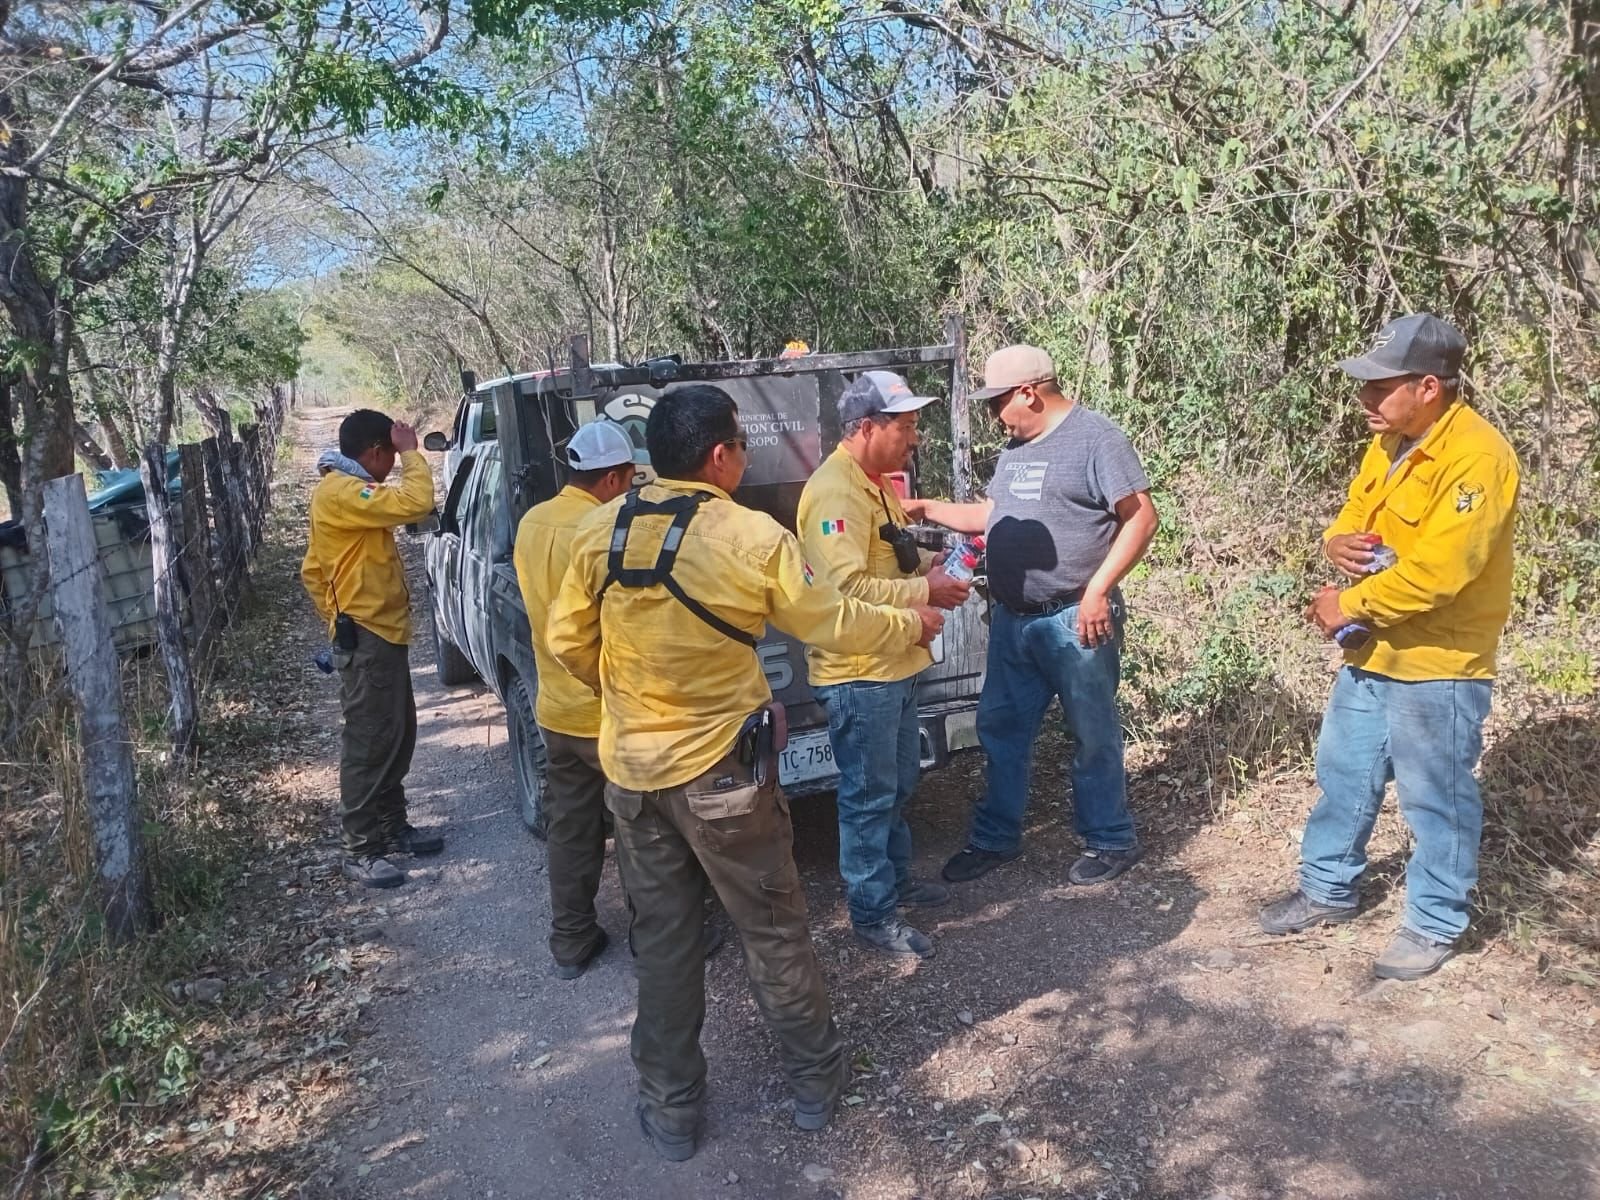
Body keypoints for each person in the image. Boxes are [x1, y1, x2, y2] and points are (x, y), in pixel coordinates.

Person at [548, 384, 942, 1161]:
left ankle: (671, 1110)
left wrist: (627, 701)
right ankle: (816, 1085)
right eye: (740, 446)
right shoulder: (748, 536)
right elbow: (826, 616)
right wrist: (914, 614)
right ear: (720, 455)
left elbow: (566, 644)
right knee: (773, 931)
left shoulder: (598, 531)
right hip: (723, 779)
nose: (744, 457)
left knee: (664, 942)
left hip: (632, 778)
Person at [1261, 314, 1519, 981]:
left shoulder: (1477, 458)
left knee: (1437, 798)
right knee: (1344, 774)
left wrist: (1345, 603)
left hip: (1440, 665)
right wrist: (1334, 544)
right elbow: (1355, 518)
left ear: (1429, 386)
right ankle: (1327, 889)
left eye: (1380, 387)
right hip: (1374, 652)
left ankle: (1434, 922)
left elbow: (1439, 573)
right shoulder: (1390, 440)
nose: (1364, 401)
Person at [907, 345, 1158, 887]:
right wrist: (925, 508)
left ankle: (1110, 838)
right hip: (1014, 621)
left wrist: (1098, 590)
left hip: (1076, 618)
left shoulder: (1097, 439)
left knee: (1092, 733)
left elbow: (1140, 518)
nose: (995, 415)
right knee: (1000, 728)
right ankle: (996, 838)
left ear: (1029, 393)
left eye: (999, 404)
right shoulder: (1015, 451)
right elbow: (990, 516)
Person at [797, 371, 971, 959]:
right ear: (866, 427)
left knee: (896, 784)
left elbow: (891, 555)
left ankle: (895, 883)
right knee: (868, 795)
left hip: (893, 665)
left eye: (914, 426)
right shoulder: (834, 492)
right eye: (904, 426)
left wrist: (934, 567)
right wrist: (925, 593)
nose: (913, 438)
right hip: (859, 672)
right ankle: (872, 914)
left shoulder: (873, 485)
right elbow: (843, 586)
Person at [512, 421, 639, 978]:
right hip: (606, 711)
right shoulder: (603, 529)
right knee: (640, 830)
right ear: (612, 478)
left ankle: (571, 940)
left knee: (571, 828)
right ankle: (654, 941)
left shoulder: (532, 522)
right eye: (631, 481)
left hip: (555, 711)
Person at [301, 409, 442, 889]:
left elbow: (312, 570)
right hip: (369, 636)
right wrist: (413, 453)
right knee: (368, 742)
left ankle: (391, 828)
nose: (393, 465)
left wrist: (336, 615)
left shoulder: (346, 492)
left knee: (395, 735)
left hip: (377, 630)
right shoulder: (342, 491)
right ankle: (360, 849)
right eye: (391, 455)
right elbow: (416, 502)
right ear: (377, 452)